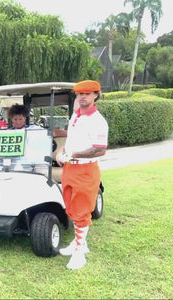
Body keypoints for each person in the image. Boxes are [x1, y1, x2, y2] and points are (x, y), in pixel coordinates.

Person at [55, 80, 108, 270]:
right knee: (71, 208)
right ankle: (80, 243)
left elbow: (100, 150)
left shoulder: (97, 120)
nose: (83, 97)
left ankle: (79, 252)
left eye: (87, 93)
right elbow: (70, 141)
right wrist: (62, 152)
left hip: (85, 169)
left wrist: (74, 155)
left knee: (82, 210)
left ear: (95, 95)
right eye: (79, 94)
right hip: (70, 168)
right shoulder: (75, 115)